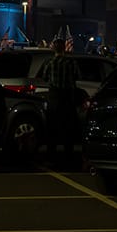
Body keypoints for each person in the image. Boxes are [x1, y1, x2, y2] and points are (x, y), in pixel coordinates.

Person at [44, 33, 81, 168]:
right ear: (64, 48)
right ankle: (69, 156)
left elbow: (44, 77)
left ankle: (51, 156)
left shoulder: (50, 62)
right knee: (68, 128)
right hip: (68, 97)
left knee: (52, 128)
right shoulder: (71, 62)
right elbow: (78, 76)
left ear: (54, 48)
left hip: (54, 97)